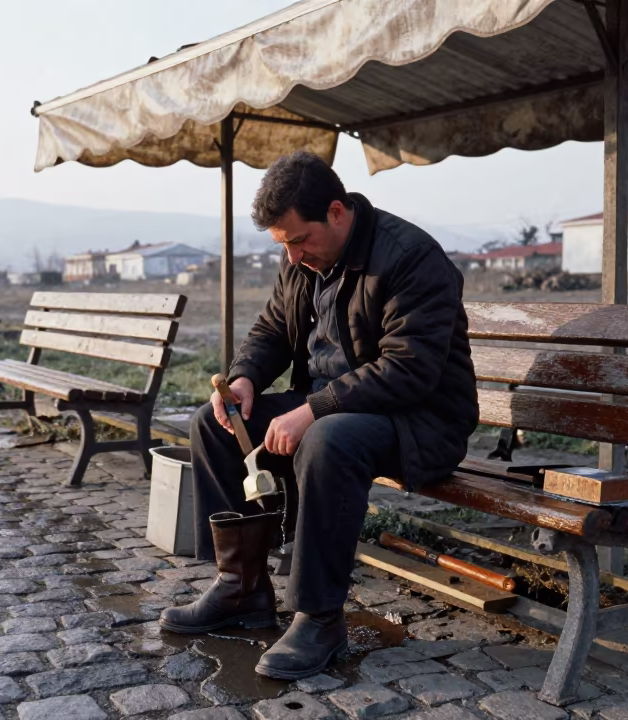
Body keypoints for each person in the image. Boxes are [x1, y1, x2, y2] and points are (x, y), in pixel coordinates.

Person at [158, 151, 479, 680]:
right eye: (283, 245)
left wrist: (312, 409)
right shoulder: (302, 262)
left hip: (422, 420)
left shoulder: (411, 257)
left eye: (299, 240)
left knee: (327, 440)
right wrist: (244, 379)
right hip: (335, 409)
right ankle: (242, 589)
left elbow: (410, 370)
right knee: (211, 425)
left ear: (336, 211)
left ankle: (320, 617)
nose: (293, 255)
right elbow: (270, 331)